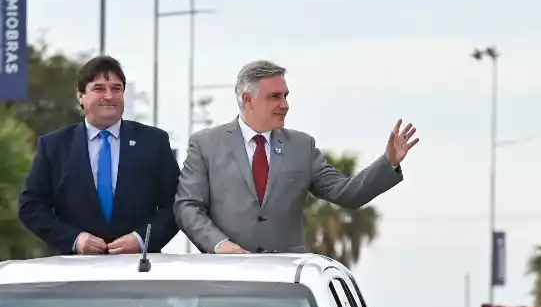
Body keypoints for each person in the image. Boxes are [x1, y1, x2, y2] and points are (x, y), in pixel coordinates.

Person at [174, 60, 419, 254]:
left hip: (286, 282)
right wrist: (219, 245)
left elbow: (348, 194)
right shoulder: (206, 144)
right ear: (247, 99)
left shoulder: (302, 147)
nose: (285, 105)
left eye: (285, 96)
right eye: (275, 97)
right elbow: (187, 206)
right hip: (225, 278)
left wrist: (389, 162)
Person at [19, 55, 180, 255]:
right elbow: (31, 207)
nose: (109, 96)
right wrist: (75, 239)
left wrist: (141, 240)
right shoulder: (54, 146)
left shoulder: (153, 142)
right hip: (75, 267)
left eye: (116, 88)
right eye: (99, 88)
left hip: (139, 265)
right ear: (81, 96)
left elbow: (176, 205)